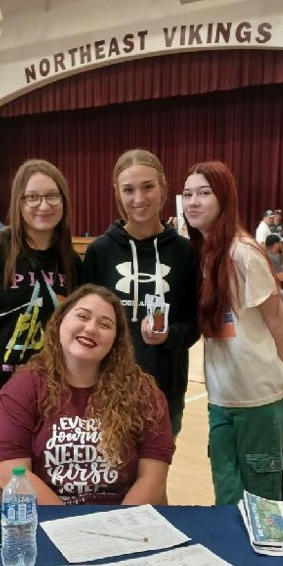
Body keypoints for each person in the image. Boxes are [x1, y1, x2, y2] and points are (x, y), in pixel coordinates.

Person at [0, 285, 175, 505]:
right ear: (60, 321)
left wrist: (118, 524)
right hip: (49, 518)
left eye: (105, 324)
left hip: (122, 518)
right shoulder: (23, 388)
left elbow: (153, 479)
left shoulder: (143, 391)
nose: (91, 329)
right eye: (82, 316)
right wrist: (68, 522)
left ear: (116, 340)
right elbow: (12, 474)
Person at [182, 161, 283, 505]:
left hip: (258, 401)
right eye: (187, 194)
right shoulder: (203, 254)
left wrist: (276, 376)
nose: (193, 202)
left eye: (204, 193)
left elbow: (278, 320)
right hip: (221, 400)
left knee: (261, 507)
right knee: (227, 501)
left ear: (224, 199)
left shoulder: (243, 253)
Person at [0, 159, 81, 429]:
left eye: (52, 196)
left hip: (43, 396)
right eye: (32, 197)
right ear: (19, 203)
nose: (43, 205)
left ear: (64, 201)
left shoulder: (71, 261)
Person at [81, 148, 199, 436]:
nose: (139, 198)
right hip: (107, 387)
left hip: (165, 388)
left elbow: (195, 323)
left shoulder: (185, 252)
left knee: (157, 465)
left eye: (148, 187)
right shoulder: (100, 252)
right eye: (129, 190)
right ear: (117, 193)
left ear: (163, 187)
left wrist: (169, 335)